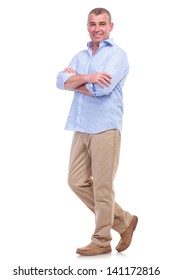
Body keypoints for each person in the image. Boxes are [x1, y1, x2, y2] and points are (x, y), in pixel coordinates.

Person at [56, 7, 138, 256]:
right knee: (75, 180)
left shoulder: (118, 56)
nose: (97, 28)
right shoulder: (80, 56)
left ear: (111, 27)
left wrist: (76, 81)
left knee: (103, 186)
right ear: (87, 26)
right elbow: (60, 81)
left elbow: (101, 90)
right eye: (92, 24)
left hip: (105, 128)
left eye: (102, 24)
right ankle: (124, 221)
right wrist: (89, 76)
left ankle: (102, 240)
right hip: (81, 126)